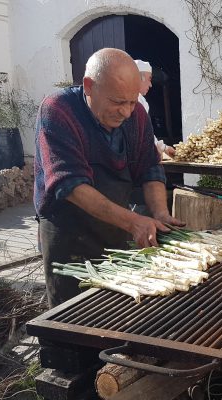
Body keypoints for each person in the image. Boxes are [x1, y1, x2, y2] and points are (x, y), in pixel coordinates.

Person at [34, 48, 183, 307]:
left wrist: (159, 212)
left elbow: (150, 167)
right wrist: (133, 221)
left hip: (116, 225)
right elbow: (71, 185)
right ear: (90, 86)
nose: (126, 112)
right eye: (117, 102)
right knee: (70, 316)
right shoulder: (58, 110)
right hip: (69, 233)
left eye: (131, 101)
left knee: (114, 308)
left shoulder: (136, 115)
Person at [134, 59, 175, 159]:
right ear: (140, 77)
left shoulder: (140, 99)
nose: (150, 84)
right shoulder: (135, 99)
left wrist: (163, 147)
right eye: (149, 79)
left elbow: (146, 131)